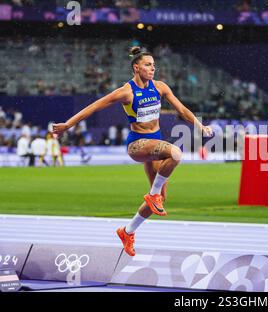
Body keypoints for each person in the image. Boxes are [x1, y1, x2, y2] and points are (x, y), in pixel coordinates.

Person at [52, 46, 213, 257]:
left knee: (159, 201)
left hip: (155, 143)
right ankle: (153, 194)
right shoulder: (126, 92)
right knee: (175, 154)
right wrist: (68, 125)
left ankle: (127, 231)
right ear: (136, 68)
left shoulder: (160, 87)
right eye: (148, 65)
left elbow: (181, 110)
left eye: (154, 65)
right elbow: (94, 107)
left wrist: (200, 126)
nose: (153, 68)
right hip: (138, 144)